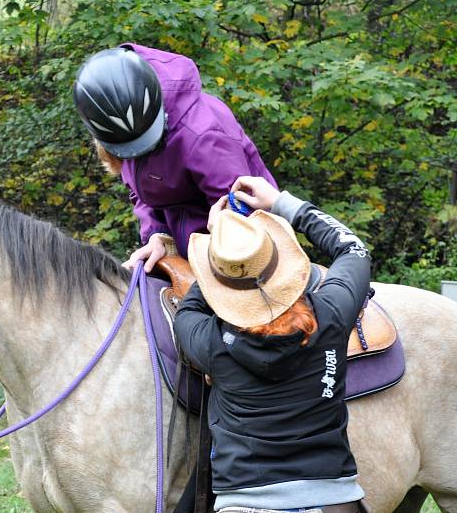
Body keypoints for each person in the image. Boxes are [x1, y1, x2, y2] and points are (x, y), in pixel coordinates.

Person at [173, 175, 371, 511]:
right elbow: (352, 248)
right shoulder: (333, 313)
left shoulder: (211, 343)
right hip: (335, 502)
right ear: (283, 260)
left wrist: (219, 248)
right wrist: (282, 203)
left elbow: (188, 310)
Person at [72, 44, 277, 272]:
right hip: (182, 249)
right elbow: (139, 189)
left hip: (239, 243)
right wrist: (157, 235)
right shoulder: (119, 132)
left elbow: (241, 215)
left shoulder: (203, 136)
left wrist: (209, 262)